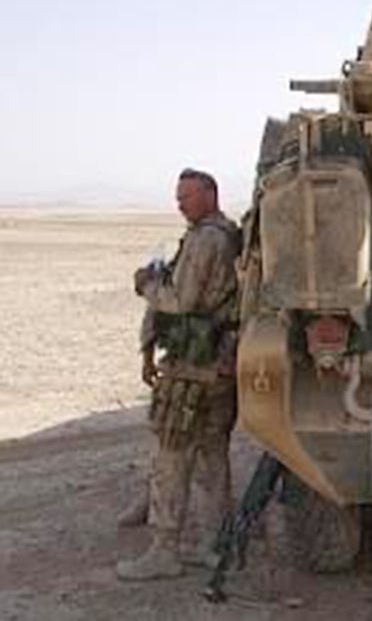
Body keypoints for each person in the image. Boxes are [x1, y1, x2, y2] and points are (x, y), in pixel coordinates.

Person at [116, 169, 241, 581]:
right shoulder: (229, 234)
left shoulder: (206, 239)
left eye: (186, 196)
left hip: (192, 369)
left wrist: (147, 285)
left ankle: (164, 550)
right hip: (220, 367)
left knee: (171, 456)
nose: (180, 204)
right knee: (213, 458)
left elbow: (181, 300)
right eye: (178, 197)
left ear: (210, 195)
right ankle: (214, 545)